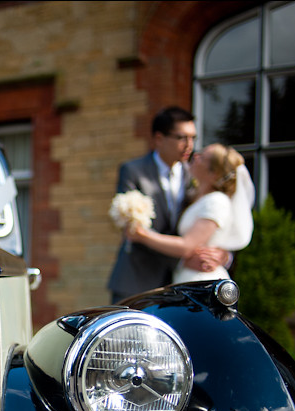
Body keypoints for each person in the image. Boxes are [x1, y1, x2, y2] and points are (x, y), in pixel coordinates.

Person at [107, 106, 229, 303]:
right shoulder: (133, 171)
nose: (189, 145)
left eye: (193, 138)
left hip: (180, 285)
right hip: (137, 281)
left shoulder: (195, 175)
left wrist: (222, 255)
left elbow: (207, 224)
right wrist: (183, 256)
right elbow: (132, 230)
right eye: (182, 138)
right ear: (159, 138)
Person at [126, 143, 254, 283]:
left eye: (202, 157)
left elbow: (187, 246)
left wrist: (142, 235)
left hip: (202, 277)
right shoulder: (195, 196)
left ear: (214, 173)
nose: (196, 156)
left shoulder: (217, 201)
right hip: (183, 276)